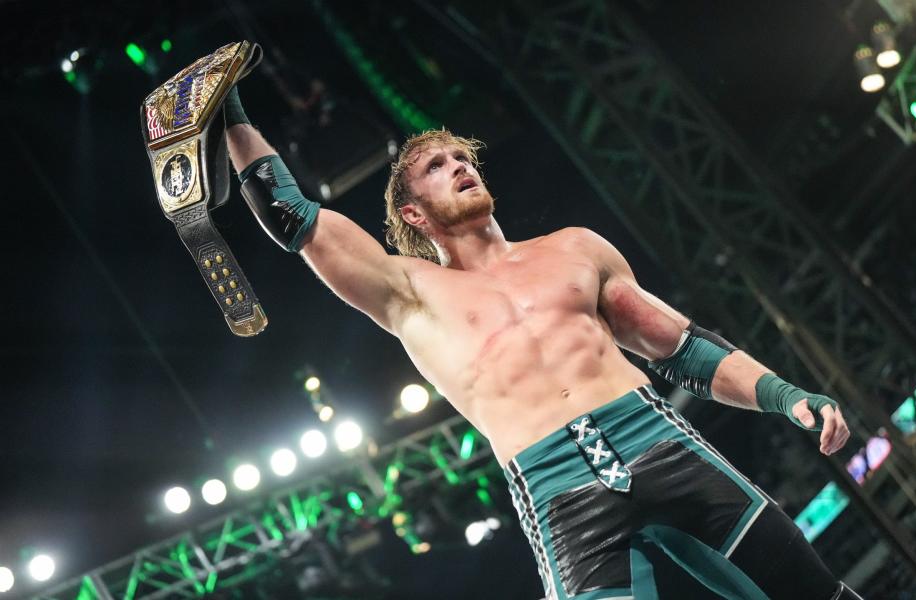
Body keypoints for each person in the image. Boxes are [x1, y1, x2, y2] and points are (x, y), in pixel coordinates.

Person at [222, 82, 860, 599]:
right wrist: (232, 114)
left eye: (462, 157)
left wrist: (784, 396)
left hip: (658, 440)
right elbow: (295, 217)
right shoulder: (408, 289)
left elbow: (682, 348)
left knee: (813, 590)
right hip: (557, 489)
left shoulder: (575, 249)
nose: (459, 167)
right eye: (437, 167)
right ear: (413, 215)